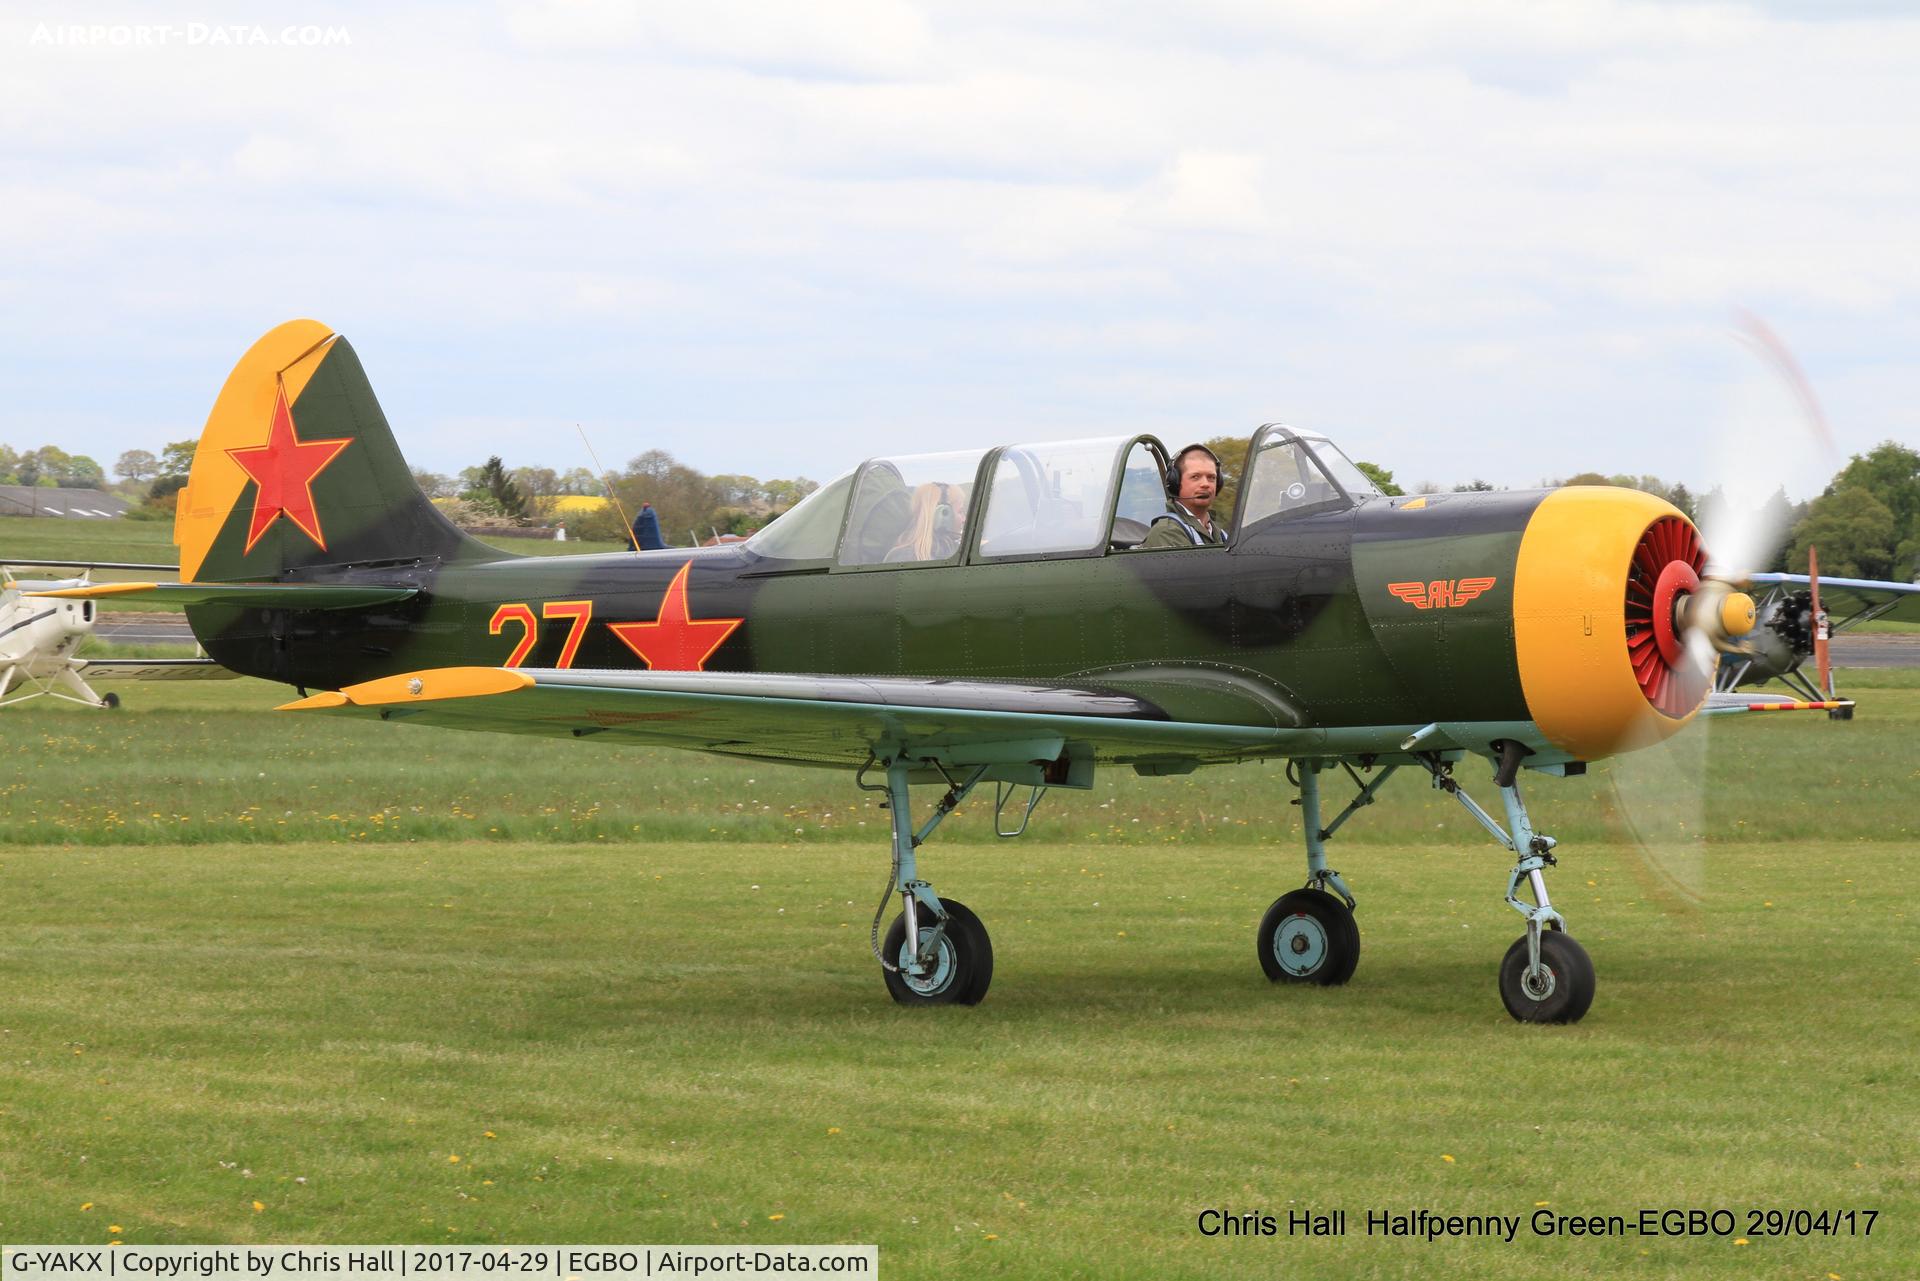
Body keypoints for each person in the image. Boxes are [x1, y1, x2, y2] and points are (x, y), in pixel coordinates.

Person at [1141, 444, 1228, 549]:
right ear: (1175, 483)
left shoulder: (1220, 534)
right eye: (1195, 477)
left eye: (1211, 477)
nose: (1206, 484)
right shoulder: (1167, 532)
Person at [886, 482, 966, 562]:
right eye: (960, 511)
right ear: (943, 514)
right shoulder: (957, 555)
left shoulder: (898, 556)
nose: (964, 519)